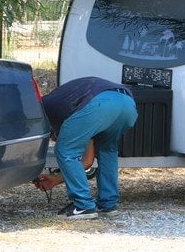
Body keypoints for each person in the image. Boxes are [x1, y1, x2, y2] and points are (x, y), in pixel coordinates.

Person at [39, 77, 138, 219]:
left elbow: (80, 157)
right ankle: (108, 204)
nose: (53, 139)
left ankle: (83, 205)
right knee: (107, 150)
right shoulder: (66, 105)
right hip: (127, 103)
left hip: (99, 104)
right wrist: (55, 179)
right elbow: (88, 160)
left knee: (65, 150)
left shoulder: (45, 107)